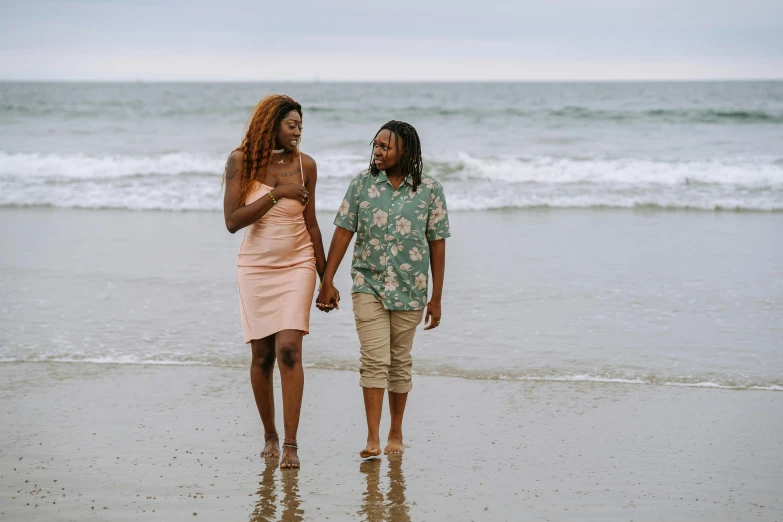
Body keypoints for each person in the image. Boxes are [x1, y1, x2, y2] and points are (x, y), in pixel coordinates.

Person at [316, 120, 450, 458]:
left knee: (399, 362)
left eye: (386, 146)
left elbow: (437, 243)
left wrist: (436, 298)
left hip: (411, 287)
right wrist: (326, 281)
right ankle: (372, 438)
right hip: (368, 283)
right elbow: (344, 232)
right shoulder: (362, 184)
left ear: (405, 150)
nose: (378, 150)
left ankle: (396, 432)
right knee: (374, 359)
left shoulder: (430, 190)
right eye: (375, 144)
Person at [223, 94, 327, 469]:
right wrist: (277, 194)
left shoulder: (306, 166)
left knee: (288, 350)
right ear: (272, 124)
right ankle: (269, 434)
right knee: (262, 355)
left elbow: (312, 223)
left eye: (300, 125)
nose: (298, 132)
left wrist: (325, 277)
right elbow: (233, 221)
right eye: (291, 124)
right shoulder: (241, 162)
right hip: (256, 267)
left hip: (297, 263)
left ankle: (291, 444)